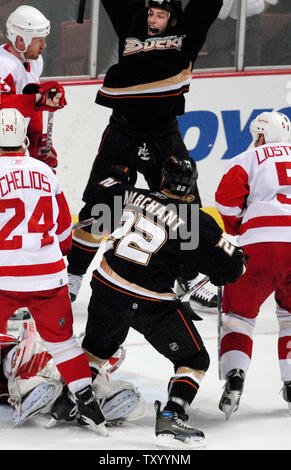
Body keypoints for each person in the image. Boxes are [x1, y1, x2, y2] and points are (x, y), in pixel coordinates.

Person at [63, 155, 247, 448]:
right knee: (194, 360)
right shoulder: (195, 220)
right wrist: (238, 260)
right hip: (151, 304)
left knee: (96, 350)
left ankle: (71, 398)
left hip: (106, 288)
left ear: (161, 179)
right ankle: (173, 413)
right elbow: (229, 268)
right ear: (191, 185)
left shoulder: (131, 195)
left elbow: (99, 204)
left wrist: (116, 175)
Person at [67, 0, 223, 313]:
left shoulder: (188, 34)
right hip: (123, 130)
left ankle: (190, 278)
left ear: (175, 19)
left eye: (160, 15)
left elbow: (208, 5)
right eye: (151, 13)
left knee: (185, 208)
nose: (152, 19)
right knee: (101, 203)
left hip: (164, 134)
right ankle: (73, 276)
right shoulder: (133, 25)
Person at [0, 107, 107, 435]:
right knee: (62, 344)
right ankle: (88, 404)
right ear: (24, 141)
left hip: (3, 276)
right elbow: (63, 235)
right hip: (48, 276)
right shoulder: (45, 173)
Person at [215, 111, 291, 420]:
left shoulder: (249, 158)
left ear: (260, 135)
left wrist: (237, 230)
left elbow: (225, 201)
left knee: (238, 316)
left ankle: (235, 375)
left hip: (259, 244)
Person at [0, 4, 67, 326]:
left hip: (14, 147)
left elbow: (25, 108)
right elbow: (2, 106)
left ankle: (16, 288)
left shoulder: (33, 60)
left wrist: (40, 144)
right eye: (38, 39)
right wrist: (39, 98)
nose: (43, 46)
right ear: (19, 39)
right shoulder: (2, 64)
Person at [0, 321, 146, 428]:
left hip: (38, 377)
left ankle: (84, 404)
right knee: (32, 356)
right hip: (28, 370)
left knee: (79, 383)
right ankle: (87, 405)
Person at [195, 0, 278, 69]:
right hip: (219, 16)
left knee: (251, 65)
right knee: (219, 64)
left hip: (251, 15)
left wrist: (266, 3)